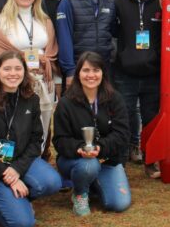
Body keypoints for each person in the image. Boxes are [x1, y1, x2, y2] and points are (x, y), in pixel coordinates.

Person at [0, 51, 62, 227]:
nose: (13, 74)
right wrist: (7, 175)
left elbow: (37, 140)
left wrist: (17, 169)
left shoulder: (31, 99)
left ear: (25, 72)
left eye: (18, 68)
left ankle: (14, 199)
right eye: (7, 69)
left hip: (20, 163)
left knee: (52, 182)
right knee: (22, 225)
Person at [0, 0, 58, 154]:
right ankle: (11, 161)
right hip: (14, 85)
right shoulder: (0, 22)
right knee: (16, 125)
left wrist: (45, 62)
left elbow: (52, 54)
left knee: (41, 125)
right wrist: (28, 58)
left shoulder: (44, 21)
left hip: (43, 84)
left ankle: (37, 158)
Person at [53, 52, 132, 216]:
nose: (91, 75)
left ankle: (94, 185)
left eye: (96, 70)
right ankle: (80, 193)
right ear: (78, 74)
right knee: (89, 165)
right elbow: (60, 140)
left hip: (108, 160)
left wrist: (100, 148)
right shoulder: (66, 103)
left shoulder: (114, 99)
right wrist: (80, 148)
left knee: (119, 203)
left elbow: (123, 134)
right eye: (86, 70)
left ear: (103, 73)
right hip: (78, 161)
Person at [112, 0, 162, 178]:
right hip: (125, 74)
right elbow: (112, 32)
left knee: (151, 118)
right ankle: (119, 164)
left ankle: (150, 161)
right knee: (124, 117)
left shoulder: (160, 2)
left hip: (153, 73)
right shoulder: (119, 1)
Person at [56, 0, 116, 86]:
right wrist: (70, 71)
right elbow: (64, 39)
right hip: (79, 71)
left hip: (104, 71)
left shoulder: (109, 1)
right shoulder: (68, 1)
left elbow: (112, 33)